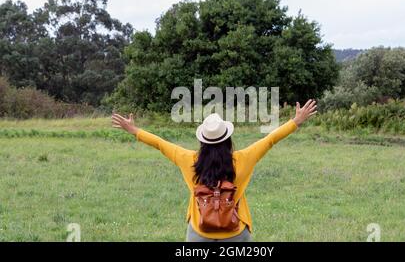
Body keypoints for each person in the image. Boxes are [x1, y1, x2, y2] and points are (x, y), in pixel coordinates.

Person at [112, 99, 317, 242]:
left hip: (199, 231)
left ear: (202, 140)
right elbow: (270, 140)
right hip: (236, 233)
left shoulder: (188, 160)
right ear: (228, 138)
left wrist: (134, 130)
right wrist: (296, 121)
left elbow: (159, 143)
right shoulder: (243, 159)